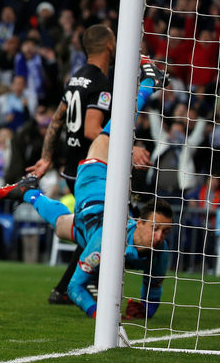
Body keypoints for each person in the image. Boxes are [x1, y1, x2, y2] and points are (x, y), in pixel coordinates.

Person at [0, 59, 170, 318]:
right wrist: (99, 315)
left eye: (164, 233)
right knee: (113, 132)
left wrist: (143, 310)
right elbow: (77, 288)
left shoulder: (160, 253)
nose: (159, 238)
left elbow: (151, 298)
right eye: (155, 229)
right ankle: (147, 85)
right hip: (94, 179)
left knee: (61, 225)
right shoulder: (108, 242)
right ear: (140, 222)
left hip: (87, 221)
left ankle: (29, 190)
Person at [27, 24, 149, 305]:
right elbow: (92, 129)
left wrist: (47, 157)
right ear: (108, 45)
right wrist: (128, 150)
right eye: (115, 40)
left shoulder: (76, 79)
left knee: (94, 227)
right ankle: (83, 285)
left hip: (73, 167)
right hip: (91, 169)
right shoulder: (101, 85)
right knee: (112, 225)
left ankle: (67, 287)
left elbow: (57, 119)